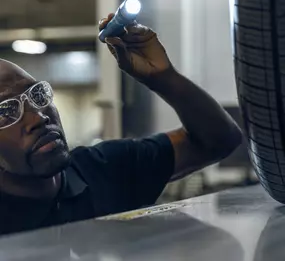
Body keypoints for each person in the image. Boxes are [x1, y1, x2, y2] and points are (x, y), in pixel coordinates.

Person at [0, 15, 242, 235]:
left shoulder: (104, 170)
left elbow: (220, 140)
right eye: (6, 111)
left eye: (37, 95)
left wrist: (163, 77)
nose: (38, 117)